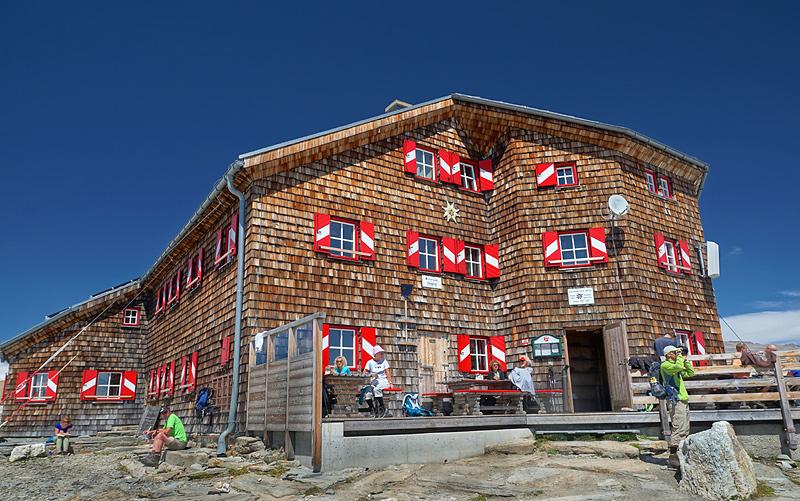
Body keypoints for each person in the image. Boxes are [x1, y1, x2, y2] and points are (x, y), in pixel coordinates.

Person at [660, 345, 695, 468]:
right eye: (675, 352)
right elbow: (678, 367)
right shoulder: (665, 366)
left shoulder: (676, 364)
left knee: (685, 428)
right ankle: (673, 458)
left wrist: (686, 361)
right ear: (669, 354)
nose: (677, 354)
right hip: (675, 400)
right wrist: (680, 358)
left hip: (682, 399)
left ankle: (683, 454)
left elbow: (691, 373)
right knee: (678, 426)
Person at [363, 345, 392, 418]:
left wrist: (390, 382)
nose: (382, 355)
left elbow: (387, 372)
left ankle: (382, 408)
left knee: (377, 390)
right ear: (376, 354)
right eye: (380, 353)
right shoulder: (370, 362)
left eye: (382, 353)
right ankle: (373, 409)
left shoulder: (384, 361)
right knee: (368, 394)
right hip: (374, 380)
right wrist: (372, 374)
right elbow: (364, 372)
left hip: (383, 380)